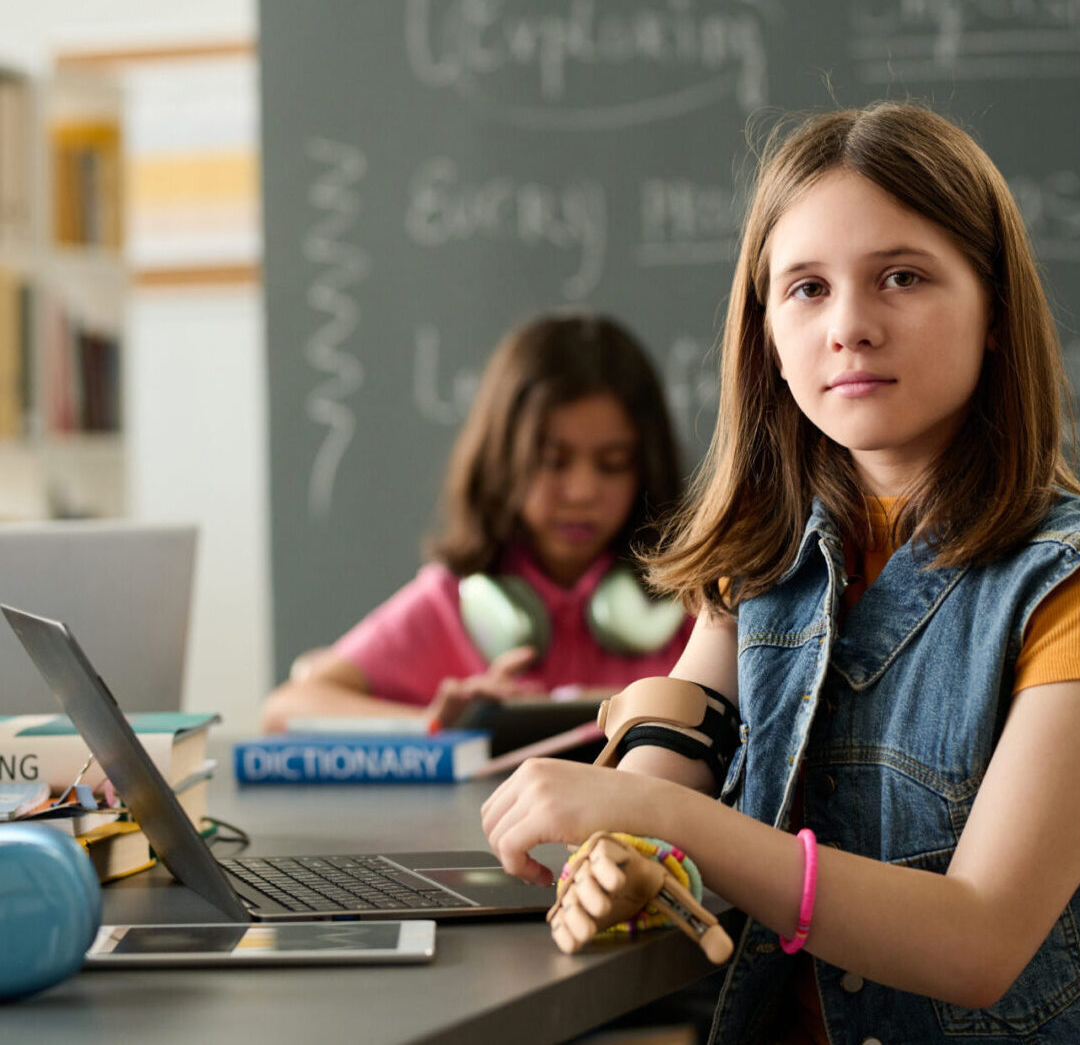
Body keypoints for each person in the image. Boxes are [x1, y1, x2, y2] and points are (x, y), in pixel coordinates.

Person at [481, 101, 1080, 1044]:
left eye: (902, 277)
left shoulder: (1061, 587)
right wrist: (638, 851)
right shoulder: (762, 557)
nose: (850, 326)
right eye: (806, 288)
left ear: (997, 311)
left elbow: (980, 943)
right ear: (763, 328)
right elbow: (674, 748)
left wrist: (647, 811)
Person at [261, 311, 693, 734]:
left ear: (646, 469)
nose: (581, 491)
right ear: (502, 460)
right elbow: (286, 709)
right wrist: (435, 727)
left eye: (613, 464)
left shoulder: (692, 601)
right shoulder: (452, 601)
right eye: (551, 462)